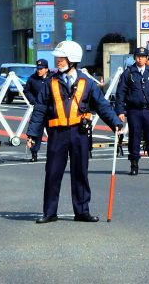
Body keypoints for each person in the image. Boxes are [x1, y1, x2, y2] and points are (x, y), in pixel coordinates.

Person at [26, 40, 122, 224]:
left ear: (72, 60)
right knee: (53, 173)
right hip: (57, 133)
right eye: (58, 59)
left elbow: (102, 105)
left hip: (80, 133)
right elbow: (39, 109)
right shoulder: (50, 83)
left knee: (80, 173)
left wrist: (115, 124)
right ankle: (49, 212)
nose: (57, 62)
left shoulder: (88, 83)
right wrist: (32, 134)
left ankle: (82, 211)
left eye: (61, 59)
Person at [115, 47, 149, 176]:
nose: (140, 59)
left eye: (143, 56)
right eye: (138, 56)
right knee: (134, 137)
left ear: (146, 58)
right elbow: (120, 93)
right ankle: (134, 165)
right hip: (134, 110)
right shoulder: (129, 73)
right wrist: (120, 111)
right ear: (135, 58)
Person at [23, 58, 51, 162]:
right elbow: (26, 90)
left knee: (53, 132)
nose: (39, 70)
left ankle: (53, 153)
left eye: (41, 68)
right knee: (35, 132)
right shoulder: (32, 79)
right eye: (38, 68)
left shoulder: (52, 78)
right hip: (39, 108)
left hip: (51, 109)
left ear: (46, 69)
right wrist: (33, 101)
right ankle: (34, 153)